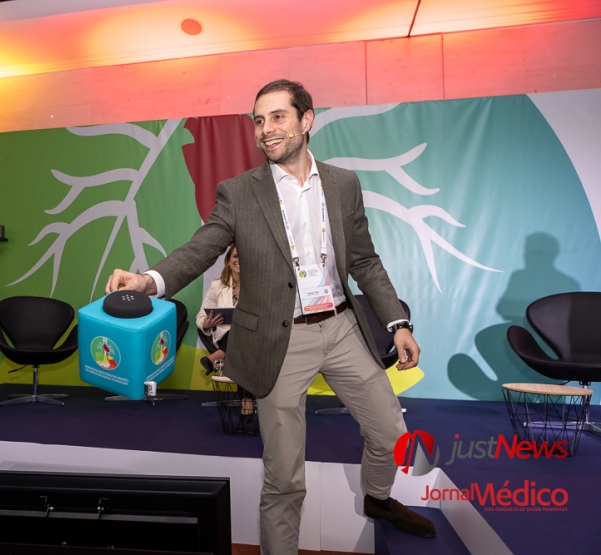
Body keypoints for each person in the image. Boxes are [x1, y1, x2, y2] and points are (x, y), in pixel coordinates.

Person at [105, 80, 435, 553]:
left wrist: (397, 323)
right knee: (284, 477)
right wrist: (147, 280)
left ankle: (378, 499)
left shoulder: (343, 184)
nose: (266, 129)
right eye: (259, 120)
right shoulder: (239, 192)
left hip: (342, 326)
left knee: (390, 433)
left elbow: (364, 260)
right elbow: (201, 249)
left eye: (278, 116)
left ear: (306, 119)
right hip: (281, 339)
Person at [196, 245, 254, 419]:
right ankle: (247, 402)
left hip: (254, 337)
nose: (238, 260)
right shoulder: (217, 286)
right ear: (228, 261)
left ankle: (216, 357)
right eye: (235, 256)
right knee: (238, 338)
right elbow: (200, 316)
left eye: (243, 256)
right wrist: (207, 323)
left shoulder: (257, 287)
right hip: (225, 336)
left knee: (243, 340)